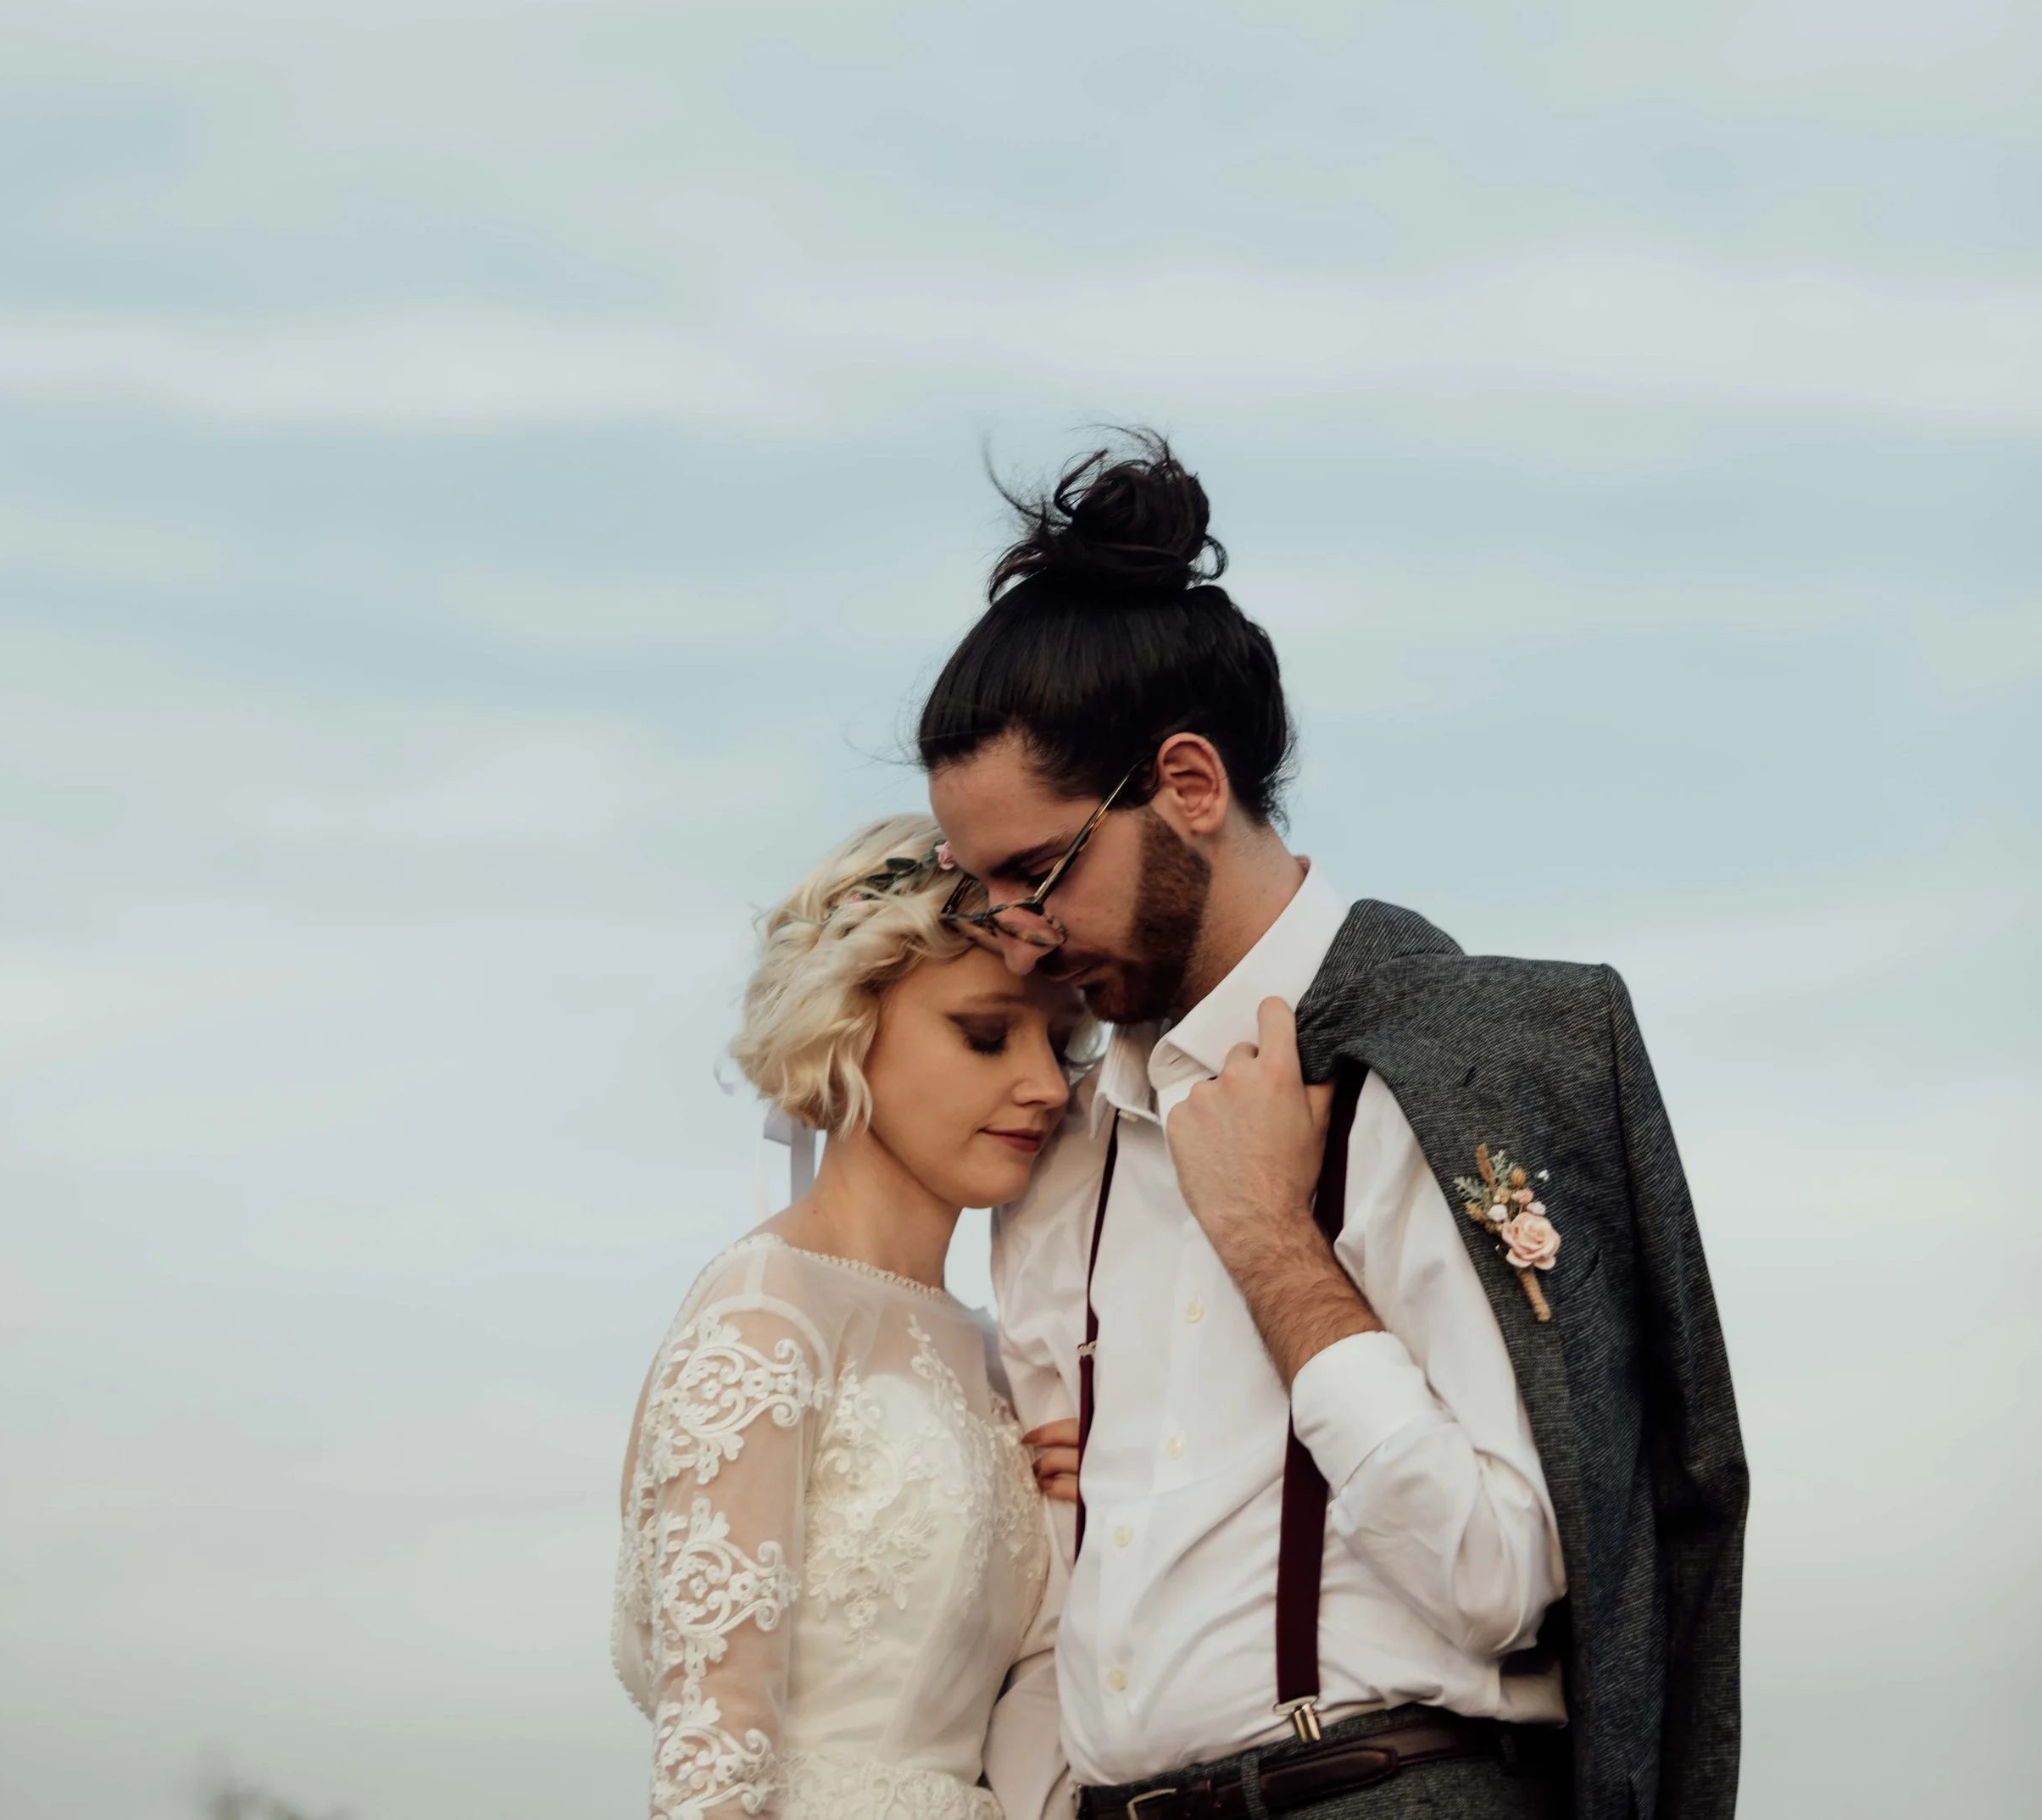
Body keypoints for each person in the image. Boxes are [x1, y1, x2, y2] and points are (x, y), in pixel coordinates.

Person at [925, 439, 1746, 1820]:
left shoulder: (1469, 1057)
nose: (1020, 936)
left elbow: (1499, 1577)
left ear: (1191, 784)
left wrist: (1271, 1242)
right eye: (983, 892)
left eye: (1040, 872)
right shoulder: (1060, 1148)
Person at [612, 814, 1088, 1820]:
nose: (1047, 1086)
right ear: (847, 1023)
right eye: (986, 1034)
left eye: (1062, 1042)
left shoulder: (999, 1354)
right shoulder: (765, 1314)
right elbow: (708, 1772)